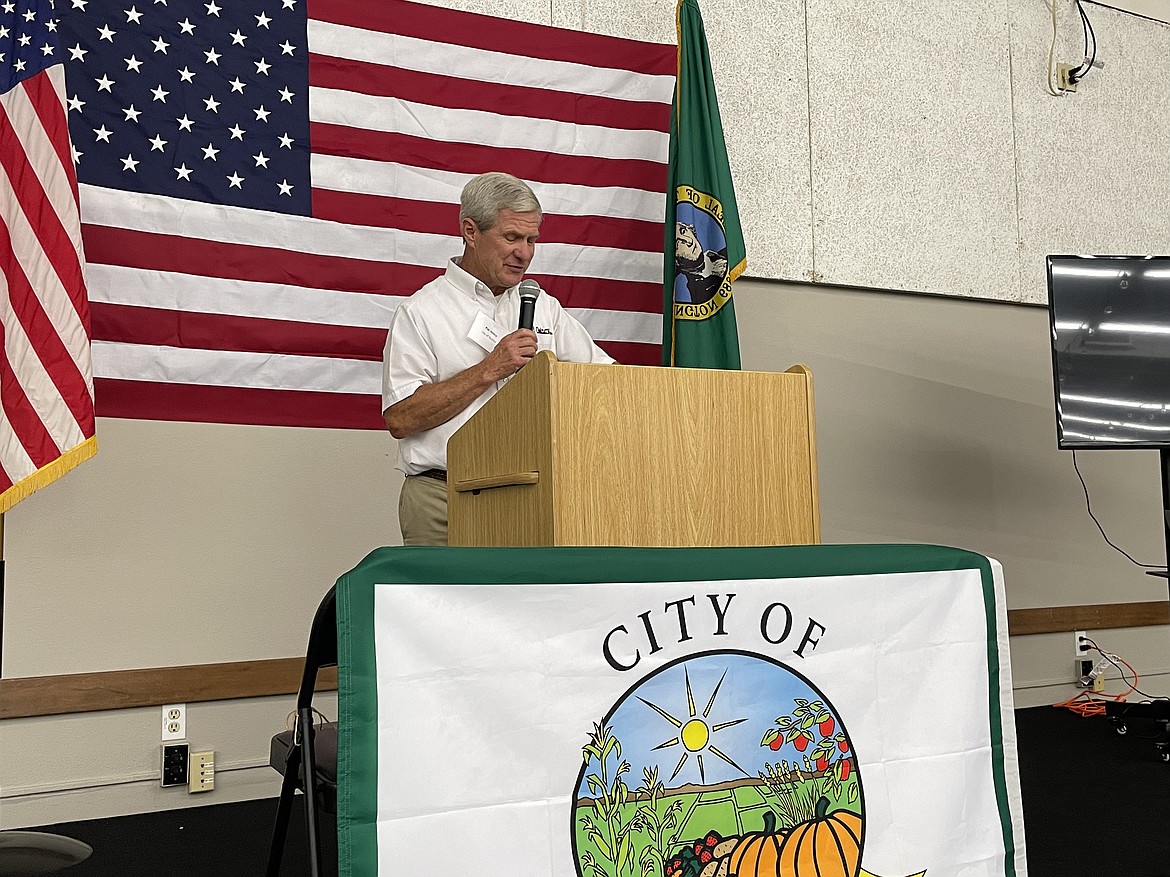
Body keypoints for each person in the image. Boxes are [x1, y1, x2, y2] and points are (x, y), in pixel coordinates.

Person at [381, 172, 615, 546]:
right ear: (470, 232)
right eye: (511, 237)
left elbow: (608, 382)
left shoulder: (544, 308)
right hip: (445, 499)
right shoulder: (421, 312)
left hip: (530, 494)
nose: (523, 253)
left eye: (531, 240)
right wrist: (489, 369)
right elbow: (401, 418)